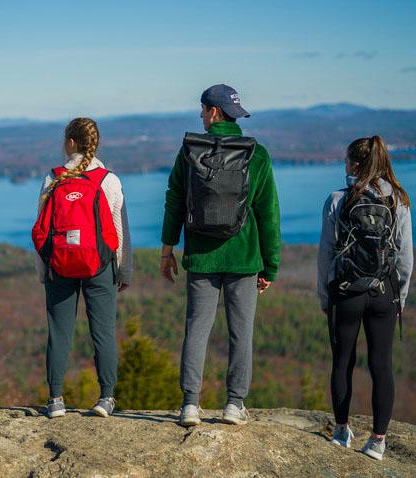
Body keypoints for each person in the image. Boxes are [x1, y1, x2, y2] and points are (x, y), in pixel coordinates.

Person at [160, 84, 281, 427]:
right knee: (241, 332)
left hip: (201, 256)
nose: (201, 116)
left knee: (197, 328)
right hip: (244, 258)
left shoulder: (189, 151)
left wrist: (168, 250)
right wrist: (270, 265)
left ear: (213, 113)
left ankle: (189, 405)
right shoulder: (256, 154)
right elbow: (268, 214)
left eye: (202, 111)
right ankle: (233, 404)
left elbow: (174, 202)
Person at [317, 135, 413, 460]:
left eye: (346, 161)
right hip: (384, 292)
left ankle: (342, 431)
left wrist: (324, 296)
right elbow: (405, 258)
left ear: (355, 166)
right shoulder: (397, 200)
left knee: (343, 362)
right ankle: (378, 441)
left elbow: (326, 255)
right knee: (381, 364)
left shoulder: (336, 199)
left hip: (346, 293)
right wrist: (399, 298)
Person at [33, 117, 132, 418]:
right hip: (99, 267)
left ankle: (55, 400)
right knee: (103, 331)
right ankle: (106, 398)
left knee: (59, 332)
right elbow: (120, 229)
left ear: (71, 143)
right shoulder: (108, 180)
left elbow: (42, 229)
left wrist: (43, 271)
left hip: (59, 267)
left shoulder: (53, 178)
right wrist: (124, 271)